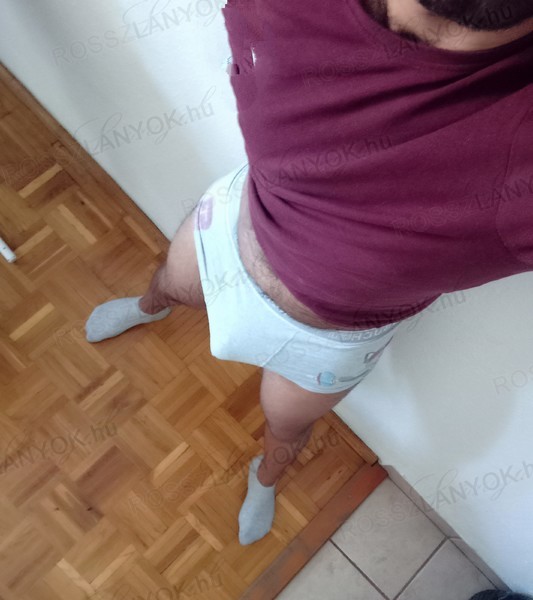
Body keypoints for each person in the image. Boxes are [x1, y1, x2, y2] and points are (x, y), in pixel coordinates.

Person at [86, 0, 533, 546]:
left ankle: (266, 477)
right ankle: (147, 308)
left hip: (326, 338)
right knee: (169, 285)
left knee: (286, 426)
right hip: (232, 226)